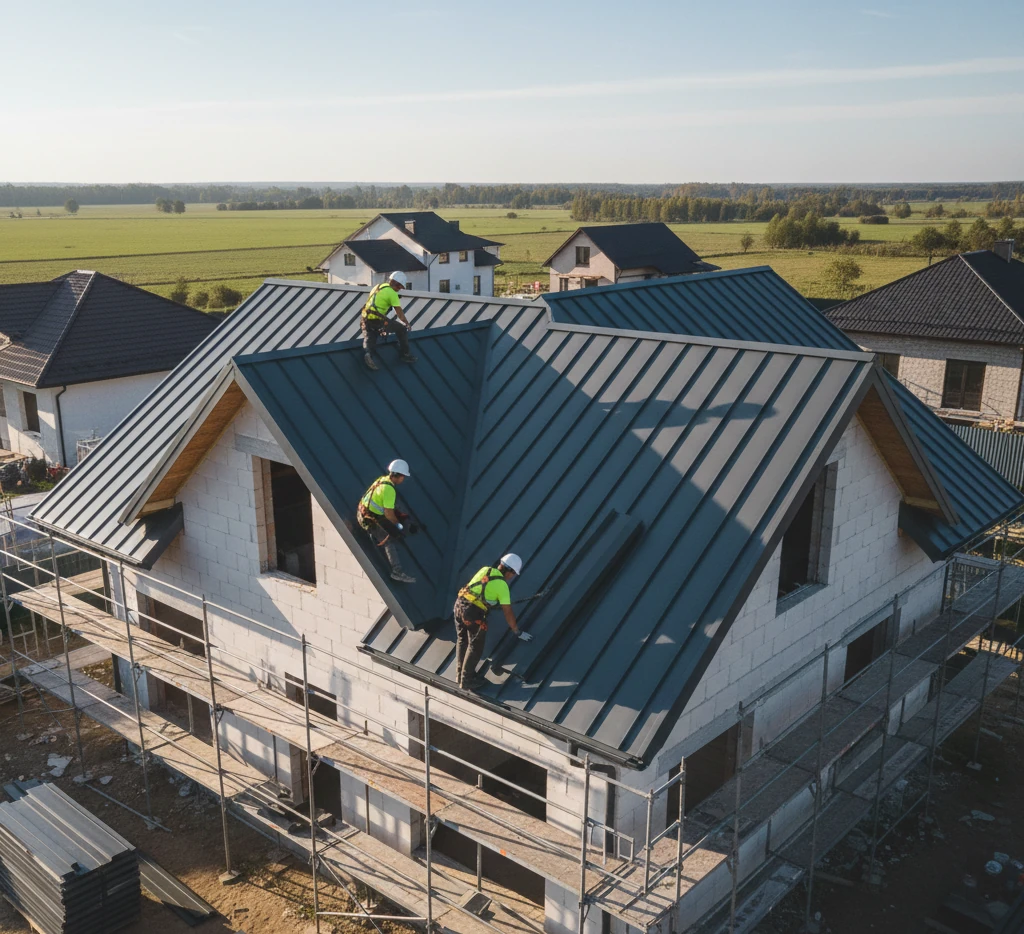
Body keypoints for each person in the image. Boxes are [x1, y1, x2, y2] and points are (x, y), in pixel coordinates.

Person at [453, 554, 532, 691]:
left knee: (462, 640)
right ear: (510, 571)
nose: (512, 577)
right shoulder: (502, 586)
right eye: (513, 574)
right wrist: (516, 631)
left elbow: (481, 590)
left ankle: (460, 675)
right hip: (472, 614)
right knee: (475, 646)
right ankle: (466, 680)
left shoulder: (485, 570)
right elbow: (508, 611)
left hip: (459, 605)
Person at [357, 460, 416, 583]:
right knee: (389, 541)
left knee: (394, 507)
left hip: (363, 511)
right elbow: (389, 514)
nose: (403, 479)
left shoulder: (382, 480)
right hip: (368, 519)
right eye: (403, 477)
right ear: (398, 475)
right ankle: (397, 572)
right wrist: (397, 525)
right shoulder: (389, 490)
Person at [362, 271, 417, 370]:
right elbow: (400, 314)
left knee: (370, 337)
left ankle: (368, 354)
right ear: (397, 284)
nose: (399, 290)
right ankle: (405, 354)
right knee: (401, 329)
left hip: (365, 319)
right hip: (379, 321)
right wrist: (407, 323)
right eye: (399, 287)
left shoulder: (378, 287)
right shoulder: (392, 294)